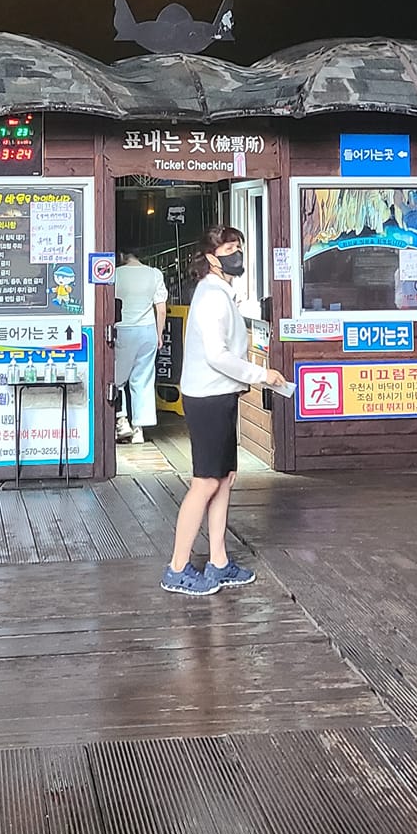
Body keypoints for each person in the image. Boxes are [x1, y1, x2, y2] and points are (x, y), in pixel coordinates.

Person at [161, 225, 287, 597]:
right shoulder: (212, 296)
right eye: (229, 249)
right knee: (205, 482)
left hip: (221, 395)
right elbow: (217, 356)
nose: (237, 255)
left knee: (224, 478)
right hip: (208, 398)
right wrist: (262, 374)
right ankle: (177, 568)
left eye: (238, 247)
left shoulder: (222, 293)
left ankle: (218, 561)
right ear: (211, 258)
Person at [113, 249, 168, 444]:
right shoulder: (154, 274)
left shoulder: (116, 273)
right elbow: (161, 310)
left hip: (123, 329)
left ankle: (121, 420)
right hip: (148, 331)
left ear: (122, 255)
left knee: (117, 379)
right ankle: (139, 430)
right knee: (143, 379)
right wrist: (159, 334)